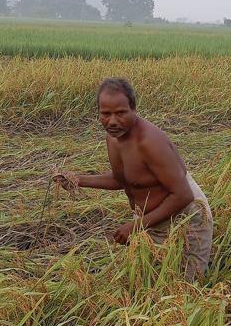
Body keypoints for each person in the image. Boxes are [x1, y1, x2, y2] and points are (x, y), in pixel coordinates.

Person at [54, 77, 213, 281]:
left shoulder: (149, 142)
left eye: (120, 113)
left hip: (185, 216)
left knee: (185, 285)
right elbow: (123, 180)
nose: (112, 121)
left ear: (134, 109)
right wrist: (78, 180)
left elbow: (183, 195)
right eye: (105, 114)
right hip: (151, 219)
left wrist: (135, 227)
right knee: (147, 278)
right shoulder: (113, 137)